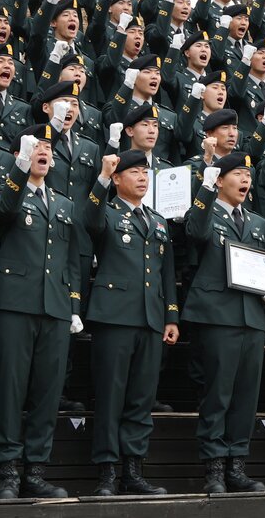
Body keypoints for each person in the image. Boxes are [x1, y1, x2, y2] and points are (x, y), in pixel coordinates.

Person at [0, 125, 81, 499]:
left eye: (47, 148)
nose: (44, 151)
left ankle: (36, 468)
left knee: (47, 391)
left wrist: (73, 305)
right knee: (11, 389)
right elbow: (3, 211)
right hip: (16, 303)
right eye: (35, 147)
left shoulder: (63, 203)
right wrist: (20, 168)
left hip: (55, 307)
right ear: (20, 155)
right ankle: (8, 470)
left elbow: (71, 260)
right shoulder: (5, 189)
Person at [78, 149, 178, 496]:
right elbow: (89, 221)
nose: (141, 178)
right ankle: (107, 471)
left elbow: (167, 273)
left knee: (141, 398)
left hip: (150, 318)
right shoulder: (106, 211)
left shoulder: (158, 220)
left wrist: (171, 316)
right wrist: (102, 177)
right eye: (134, 172)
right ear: (118, 179)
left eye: (145, 173)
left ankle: (133, 470)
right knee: (111, 396)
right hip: (114, 316)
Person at [184, 153, 265, 494]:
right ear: (221, 180)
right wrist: (206, 189)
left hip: (250, 316)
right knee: (218, 393)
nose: (246, 180)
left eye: (248, 175)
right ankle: (214, 467)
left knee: (245, 396)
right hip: (217, 315)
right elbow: (195, 231)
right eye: (238, 174)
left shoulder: (257, 222)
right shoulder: (207, 210)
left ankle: (237, 464)